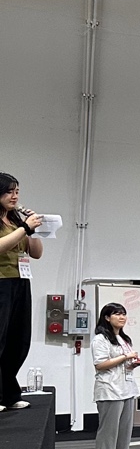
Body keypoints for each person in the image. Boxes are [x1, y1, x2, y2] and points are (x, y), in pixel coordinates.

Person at [0, 174, 43, 412]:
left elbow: (36, 253)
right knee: (0, 338)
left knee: (18, 340)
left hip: (20, 281)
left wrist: (32, 230)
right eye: (9, 191)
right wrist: (24, 228)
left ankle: (9, 394)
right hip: (1, 282)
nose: (15, 196)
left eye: (17, 191)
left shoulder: (16, 219)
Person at [92, 302, 140, 449]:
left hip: (126, 388)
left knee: (124, 429)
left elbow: (123, 364)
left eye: (123, 314)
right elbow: (100, 365)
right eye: (117, 314)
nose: (122, 317)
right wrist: (125, 357)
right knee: (109, 430)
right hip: (109, 389)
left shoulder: (124, 338)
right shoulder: (100, 339)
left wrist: (133, 363)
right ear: (107, 318)